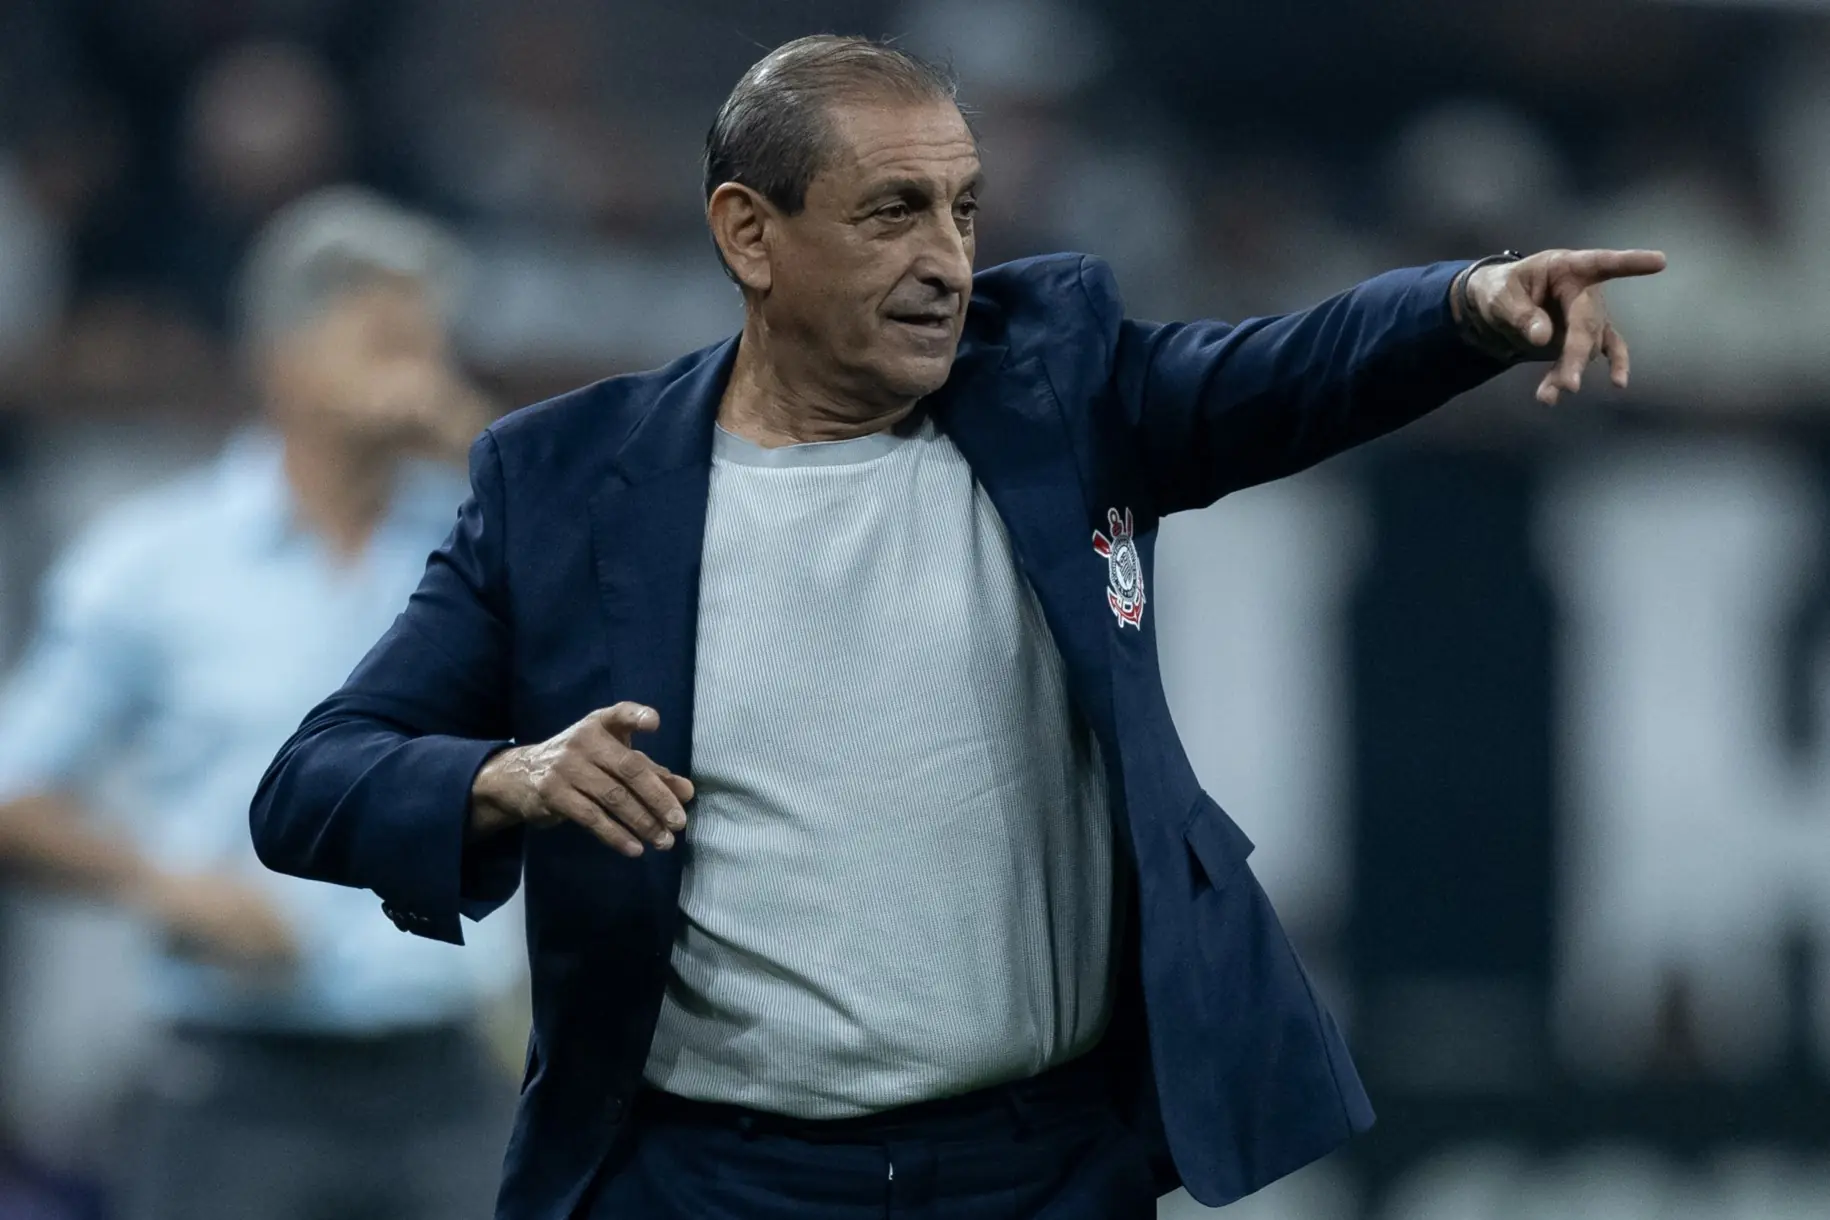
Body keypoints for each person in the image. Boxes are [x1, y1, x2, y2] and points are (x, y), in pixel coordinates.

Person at [249, 36, 1667, 1220]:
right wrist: (508, 777)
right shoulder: (565, 485)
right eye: (892, 213)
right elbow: (313, 780)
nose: (947, 259)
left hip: (1036, 1170)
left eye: (964, 210)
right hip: (708, 1179)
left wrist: (1469, 307)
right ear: (748, 233)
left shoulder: (1056, 393)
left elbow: (1279, 371)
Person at [0, 186, 521, 1220]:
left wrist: (484, 448)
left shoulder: (483, 551)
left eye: (431, 345)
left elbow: (626, 614)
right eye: (386, 342)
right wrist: (167, 887)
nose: (420, 375)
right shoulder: (154, 561)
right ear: (285, 358)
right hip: (236, 1086)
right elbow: (14, 793)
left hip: (450, 1080)